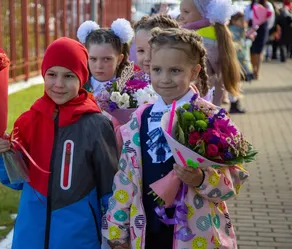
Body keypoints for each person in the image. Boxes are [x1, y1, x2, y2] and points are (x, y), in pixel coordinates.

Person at [102, 28, 249, 249]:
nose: (164, 79)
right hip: (146, 230)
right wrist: (117, 232)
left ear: (194, 72)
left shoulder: (212, 118)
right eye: (157, 70)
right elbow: (125, 178)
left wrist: (201, 179)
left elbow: (233, 180)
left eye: (175, 70)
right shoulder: (139, 119)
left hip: (196, 234)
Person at [0, 37, 119, 249]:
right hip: (30, 236)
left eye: (69, 76)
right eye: (52, 74)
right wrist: (1, 152)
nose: (59, 84)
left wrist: (116, 232)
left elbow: (109, 187)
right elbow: (15, 180)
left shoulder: (96, 125)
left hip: (79, 238)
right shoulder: (28, 120)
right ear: (43, 75)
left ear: (82, 78)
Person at [178, 0, 241, 105]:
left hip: (199, 103)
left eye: (186, 12)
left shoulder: (198, 39)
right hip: (211, 105)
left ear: (204, 13)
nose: (181, 17)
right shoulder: (215, 33)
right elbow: (219, 80)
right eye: (181, 12)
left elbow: (200, 79)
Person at [77, 19, 134, 98]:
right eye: (93, 59)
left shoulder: (132, 89)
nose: (99, 66)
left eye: (106, 59)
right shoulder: (78, 87)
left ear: (119, 60)